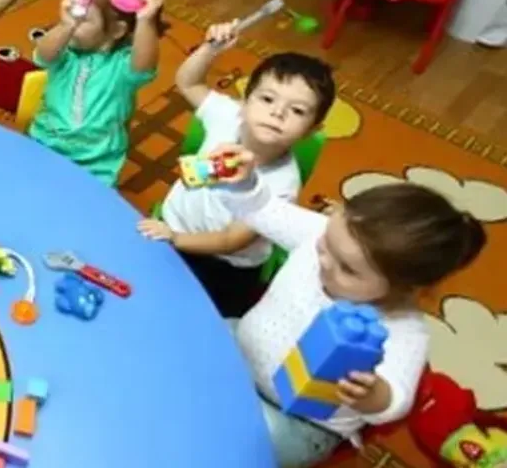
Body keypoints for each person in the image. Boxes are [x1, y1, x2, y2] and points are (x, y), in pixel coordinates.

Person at [206, 146, 485, 467]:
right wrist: (245, 183)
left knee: (244, 445)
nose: (324, 261)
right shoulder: (323, 236)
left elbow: (396, 401)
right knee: (185, 331)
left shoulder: (404, 330)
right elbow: (262, 210)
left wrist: (374, 395)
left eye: (348, 269)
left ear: (405, 286)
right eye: (326, 244)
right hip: (239, 351)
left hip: (297, 422)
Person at [138, 21, 335, 318]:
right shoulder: (227, 116)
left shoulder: (282, 184)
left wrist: (175, 238)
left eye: (297, 110)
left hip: (223, 266)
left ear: (311, 130)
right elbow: (188, 82)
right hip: (172, 224)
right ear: (244, 103)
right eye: (267, 99)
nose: (277, 112)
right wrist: (211, 49)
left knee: (195, 320)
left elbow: (231, 241)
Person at [28, 0, 165, 186]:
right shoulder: (65, 52)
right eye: (72, 13)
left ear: (117, 30)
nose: (74, 23)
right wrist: (66, 25)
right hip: (43, 146)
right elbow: (43, 54)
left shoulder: (120, 66)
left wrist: (146, 19)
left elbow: (144, 66)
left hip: (96, 165)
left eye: (82, 20)